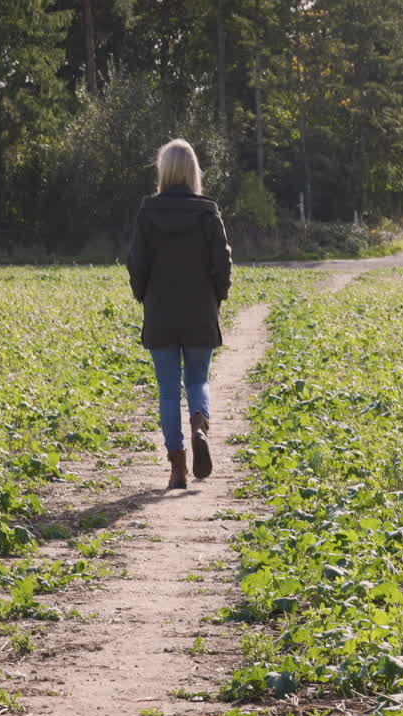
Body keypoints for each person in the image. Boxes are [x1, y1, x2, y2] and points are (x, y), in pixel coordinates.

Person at [126, 139, 233, 490]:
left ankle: (177, 467)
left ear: (163, 171)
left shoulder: (147, 212)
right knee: (198, 381)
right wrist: (218, 296)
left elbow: (137, 263)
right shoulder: (208, 211)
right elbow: (222, 261)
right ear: (193, 171)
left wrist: (143, 295)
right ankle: (199, 424)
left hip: (161, 312)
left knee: (169, 391)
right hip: (200, 310)